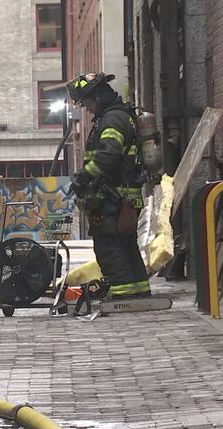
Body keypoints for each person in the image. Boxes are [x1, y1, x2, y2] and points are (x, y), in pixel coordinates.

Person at [66, 73, 150, 298]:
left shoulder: (112, 119)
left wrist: (84, 176)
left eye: (88, 103)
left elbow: (109, 153)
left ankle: (122, 293)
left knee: (108, 247)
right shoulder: (120, 115)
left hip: (113, 198)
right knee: (126, 245)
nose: (87, 109)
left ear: (98, 96)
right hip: (124, 196)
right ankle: (139, 289)